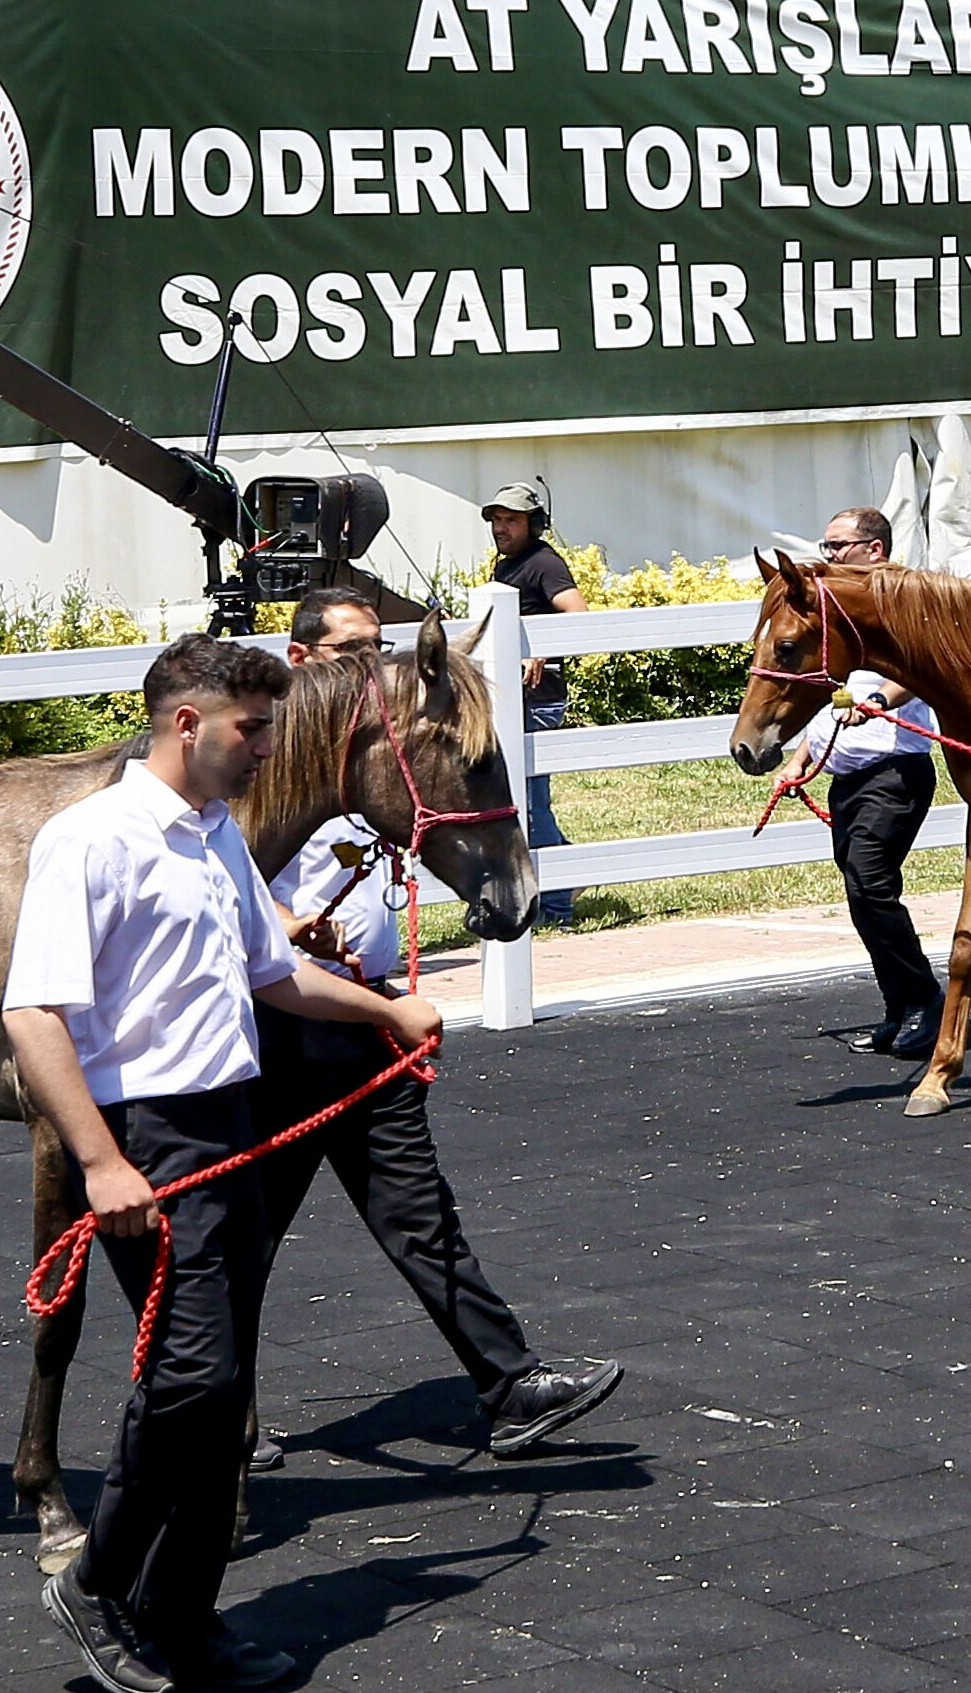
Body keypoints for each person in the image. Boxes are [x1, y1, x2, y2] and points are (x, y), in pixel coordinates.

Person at [8, 633, 444, 1693]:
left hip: (227, 1123)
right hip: (149, 1138)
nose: (267, 750)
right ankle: (102, 1581)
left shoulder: (215, 836)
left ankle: (182, 1613)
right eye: (254, 729)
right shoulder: (91, 839)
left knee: (221, 1382)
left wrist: (390, 1011)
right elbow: (32, 1013)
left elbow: (274, 972)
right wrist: (102, 1162)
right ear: (188, 722)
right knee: (194, 1375)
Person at [248, 586, 624, 1467]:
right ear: (300, 660)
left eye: (380, 646)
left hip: (365, 1016)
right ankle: (209, 1419)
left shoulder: (375, 755)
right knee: (240, 1236)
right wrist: (289, 932)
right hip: (290, 1024)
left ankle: (510, 1385)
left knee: (418, 1214)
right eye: (351, 651)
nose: (376, 666)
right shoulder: (271, 770)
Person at [778, 508, 943, 1059]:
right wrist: (803, 755)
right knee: (860, 893)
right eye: (825, 546)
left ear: (875, 549)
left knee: (870, 882)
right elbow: (827, 696)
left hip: (895, 771)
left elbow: (914, 670)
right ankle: (900, 1005)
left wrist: (877, 703)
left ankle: (925, 1001)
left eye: (838, 546)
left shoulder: (904, 603)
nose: (829, 557)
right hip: (848, 778)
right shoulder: (839, 613)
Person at [483, 481, 587, 927]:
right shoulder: (508, 567)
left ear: (534, 524)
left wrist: (541, 650)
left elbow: (578, 616)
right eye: (497, 520)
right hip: (511, 700)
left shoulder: (543, 563)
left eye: (512, 520)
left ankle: (558, 908)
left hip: (537, 701)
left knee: (532, 803)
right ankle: (571, 871)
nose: (501, 528)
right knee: (523, 800)